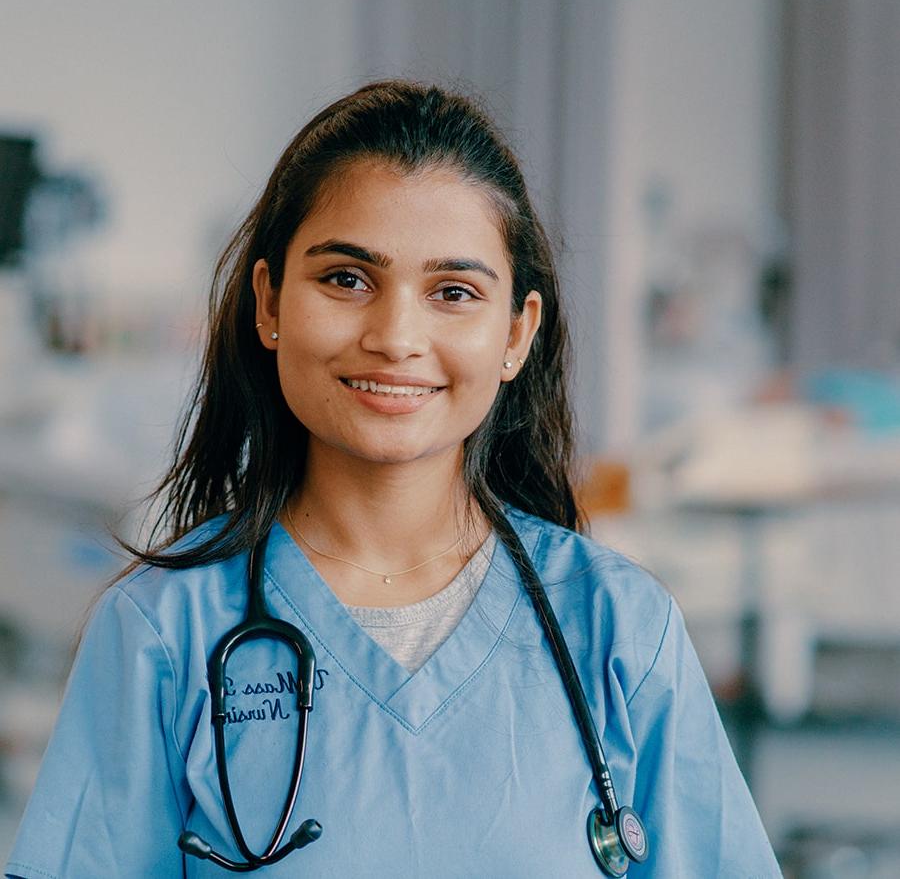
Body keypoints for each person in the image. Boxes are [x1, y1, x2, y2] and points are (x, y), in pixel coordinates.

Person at [6, 81, 781, 878]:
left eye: (454, 293)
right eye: (347, 279)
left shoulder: (618, 629)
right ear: (269, 303)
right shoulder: (163, 633)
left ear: (517, 334)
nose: (396, 337)